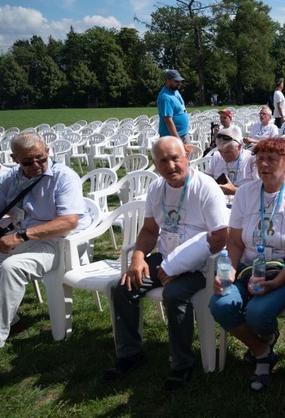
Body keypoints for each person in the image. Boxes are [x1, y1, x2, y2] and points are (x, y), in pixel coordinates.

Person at [102, 137, 228, 390]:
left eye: (175, 158)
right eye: (162, 161)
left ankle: (182, 364)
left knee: (174, 294)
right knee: (122, 286)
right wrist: (138, 257)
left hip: (202, 262)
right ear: (155, 164)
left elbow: (220, 238)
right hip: (166, 256)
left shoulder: (206, 187)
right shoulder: (157, 188)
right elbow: (149, 230)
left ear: (187, 155)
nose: (170, 165)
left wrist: (177, 267)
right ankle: (130, 354)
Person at [209, 138, 285, 391]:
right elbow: (234, 242)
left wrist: (276, 282)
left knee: (257, 313)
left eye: (272, 159)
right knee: (220, 303)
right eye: (260, 159)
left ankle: (264, 337)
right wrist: (227, 272)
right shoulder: (246, 192)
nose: (264, 165)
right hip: (248, 269)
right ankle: (262, 350)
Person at [0, 132, 89, 369]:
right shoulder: (10, 178)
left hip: (56, 242)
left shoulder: (64, 177)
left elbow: (69, 222)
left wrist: (21, 236)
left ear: (47, 151)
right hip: (21, 237)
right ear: (15, 159)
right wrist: (19, 236)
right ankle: (14, 320)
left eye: (40, 158)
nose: (37, 165)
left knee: (11, 268)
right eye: (28, 162)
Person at [203, 127, 257, 197]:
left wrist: (234, 191)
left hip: (244, 201)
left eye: (228, 152)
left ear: (239, 147)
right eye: (221, 152)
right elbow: (206, 180)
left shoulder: (251, 159)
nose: (224, 155)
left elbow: (258, 191)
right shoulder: (217, 156)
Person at [157, 69, 189, 141]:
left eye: (180, 81)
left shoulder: (175, 91)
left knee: (187, 152)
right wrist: (177, 139)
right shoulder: (165, 97)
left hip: (183, 134)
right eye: (176, 81)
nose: (179, 83)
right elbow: (168, 120)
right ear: (168, 81)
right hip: (172, 137)